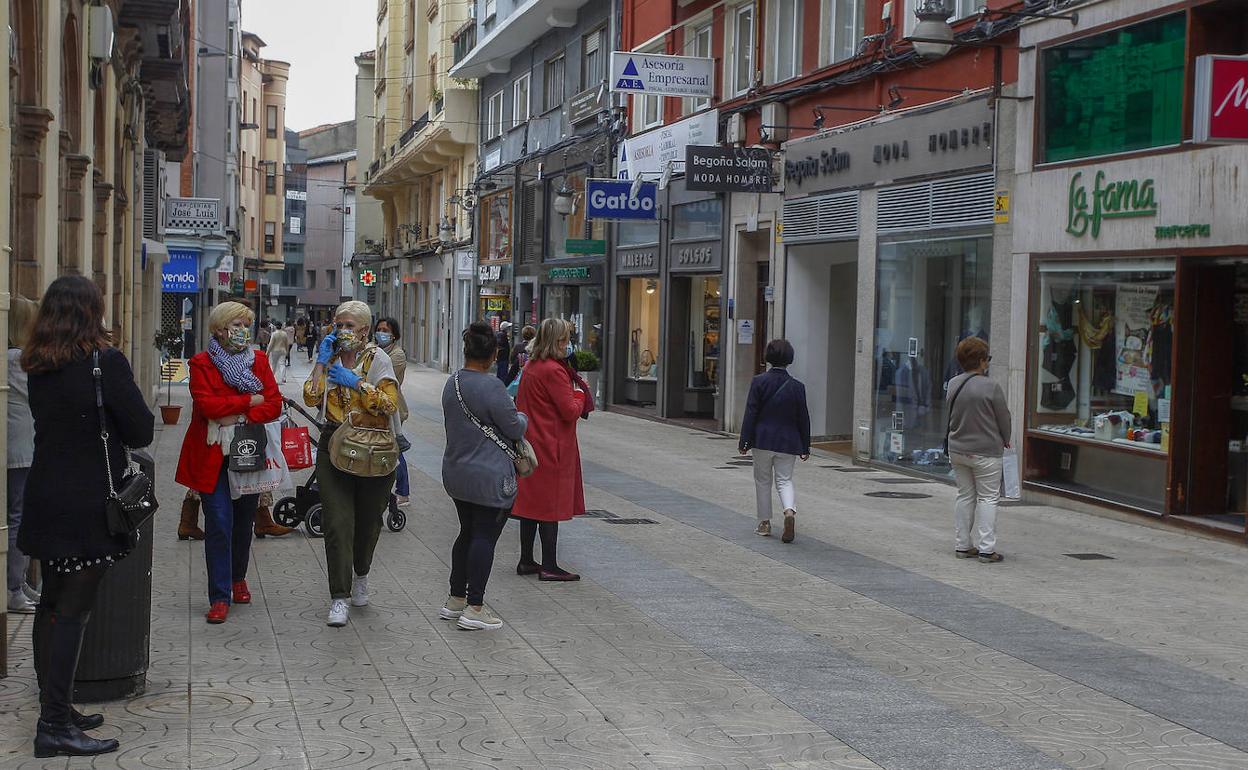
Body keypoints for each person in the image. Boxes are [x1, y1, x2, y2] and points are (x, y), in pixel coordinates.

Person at [18, 276, 154, 759]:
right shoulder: (104, 361)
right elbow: (141, 427)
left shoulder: (36, 361)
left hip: (46, 496)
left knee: (51, 605)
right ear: (90, 311)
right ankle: (54, 723)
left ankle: (56, 705)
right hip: (88, 505)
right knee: (71, 612)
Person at [175, 302, 284, 624]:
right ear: (219, 329)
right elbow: (207, 405)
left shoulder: (259, 361)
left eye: (246, 324)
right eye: (237, 324)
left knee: (243, 521)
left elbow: (275, 404)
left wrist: (233, 414)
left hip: (247, 453)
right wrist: (250, 400)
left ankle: (238, 577)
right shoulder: (201, 362)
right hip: (211, 457)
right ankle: (219, 596)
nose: (243, 331)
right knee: (219, 523)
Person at [304, 301, 400, 627]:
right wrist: (320, 363)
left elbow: (389, 404)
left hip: (373, 448)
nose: (342, 331)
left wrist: (356, 382)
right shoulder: (329, 358)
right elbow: (310, 396)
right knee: (337, 522)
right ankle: (339, 596)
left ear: (364, 330)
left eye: (349, 326)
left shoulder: (379, 359)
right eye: (338, 324)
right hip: (333, 445)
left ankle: (361, 574)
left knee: (369, 522)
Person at [440, 322, 528, 630]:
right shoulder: (492, 386)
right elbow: (514, 427)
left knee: (466, 532)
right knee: (483, 536)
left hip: (456, 473)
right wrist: (522, 416)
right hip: (488, 476)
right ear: (492, 355)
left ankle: (455, 600)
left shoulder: (452, 382)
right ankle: (475, 606)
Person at [511, 318, 592, 581]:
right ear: (556, 341)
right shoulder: (554, 371)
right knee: (549, 506)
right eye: (566, 340)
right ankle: (549, 565)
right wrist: (579, 394)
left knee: (530, 505)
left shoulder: (532, 366)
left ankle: (526, 560)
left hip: (532, 442)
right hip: (552, 444)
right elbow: (569, 411)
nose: (568, 345)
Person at [946, 336, 1011, 563]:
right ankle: (986, 548)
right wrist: (1007, 439)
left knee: (964, 496)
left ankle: (962, 545)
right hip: (986, 451)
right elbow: (1004, 418)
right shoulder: (991, 386)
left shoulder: (953, 383)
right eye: (988, 359)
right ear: (982, 361)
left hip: (957, 449)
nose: (988, 363)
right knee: (988, 498)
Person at [739, 339, 811, 544]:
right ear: (790, 359)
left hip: (762, 439)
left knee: (763, 481)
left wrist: (745, 441)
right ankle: (789, 511)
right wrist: (805, 446)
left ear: (768, 357)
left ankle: (764, 523)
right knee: (784, 480)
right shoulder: (798, 387)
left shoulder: (759, 382)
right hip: (788, 442)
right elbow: (803, 417)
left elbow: (751, 413)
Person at [7, 296, 38, 614]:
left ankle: (19, 582)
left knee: (19, 515)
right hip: (21, 450)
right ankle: (13, 586)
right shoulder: (16, 359)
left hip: (21, 448)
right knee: (19, 517)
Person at [374, 317, 410, 505]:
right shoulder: (373, 350)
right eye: (379, 329)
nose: (381, 333)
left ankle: (403, 492)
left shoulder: (397, 355)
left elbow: (380, 378)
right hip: (373, 405)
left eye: (386, 330)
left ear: (394, 335)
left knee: (395, 448)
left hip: (392, 408)